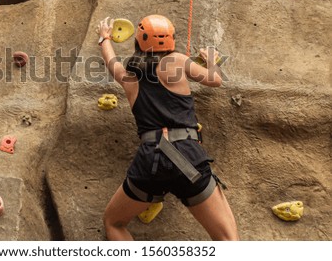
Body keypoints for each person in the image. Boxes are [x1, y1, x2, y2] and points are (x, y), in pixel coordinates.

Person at [96, 15, 239, 241]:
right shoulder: (177, 61)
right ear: (171, 39)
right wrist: (212, 60)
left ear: (139, 41)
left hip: (150, 159)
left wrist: (104, 38)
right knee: (228, 241)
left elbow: (111, 62)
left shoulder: (129, 77)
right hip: (185, 156)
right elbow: (215, 79)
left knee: (113, 222)